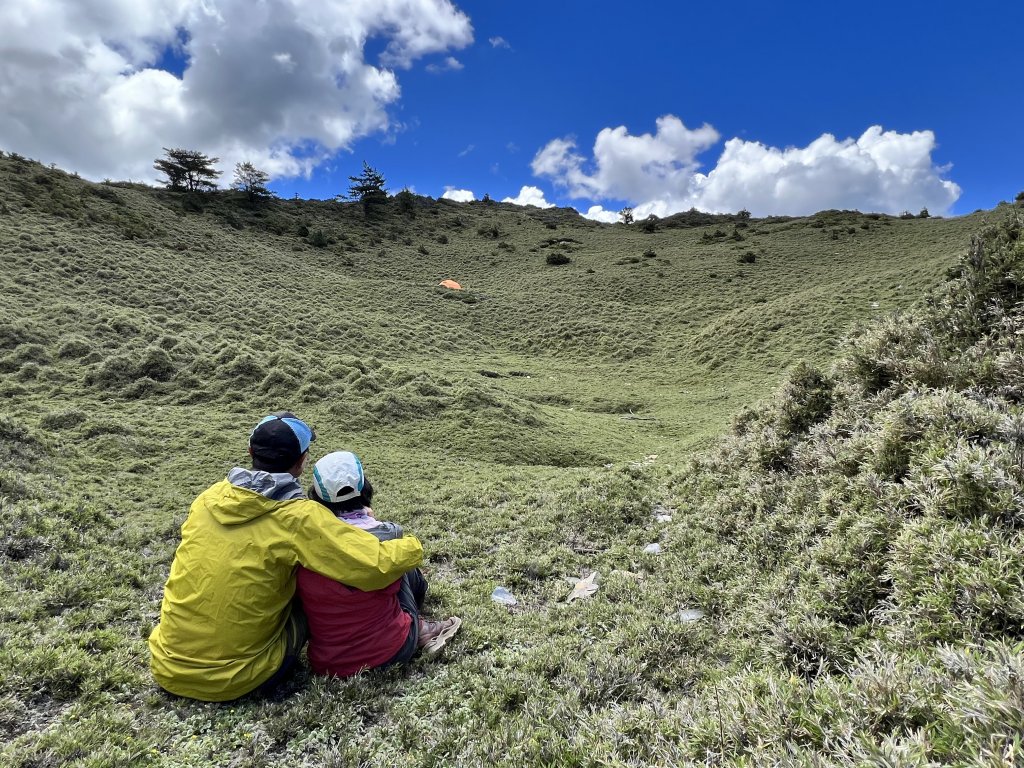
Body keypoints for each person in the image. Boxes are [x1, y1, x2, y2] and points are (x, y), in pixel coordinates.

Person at [148, 412, 424, 702]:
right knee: (316, 584)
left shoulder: (207, 499)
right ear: (302, 462)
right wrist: (412, 546)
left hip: (167, 666)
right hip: (241, 677)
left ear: (250, 451)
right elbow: (373, 566)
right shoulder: (298, 516)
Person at [297, 451, 461, 678]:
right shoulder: (388, 533)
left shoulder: (301, 540)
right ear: (365, 488)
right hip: (391, 651)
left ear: (316, 495)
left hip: (327, 664)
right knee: (399, 562)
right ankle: (422, 630)